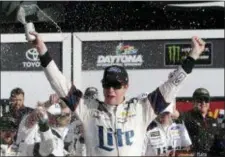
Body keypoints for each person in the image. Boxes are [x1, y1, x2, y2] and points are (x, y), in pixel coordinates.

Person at [30, 31, 205, 156]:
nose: (110, 90)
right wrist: (42, 50)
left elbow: (172, 86)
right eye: (106, 85)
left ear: (126, 86)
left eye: (115, 85)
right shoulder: (88, 108)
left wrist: (193, 56)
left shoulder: (141, 109)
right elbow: (59, 83)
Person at [179, 88, 222, 156]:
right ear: (193, 102)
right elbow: (173, 115)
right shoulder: (186, 117)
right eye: (200, 99)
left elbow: (219, 145)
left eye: (206, 99)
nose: (203, 102)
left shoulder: (213, 121)